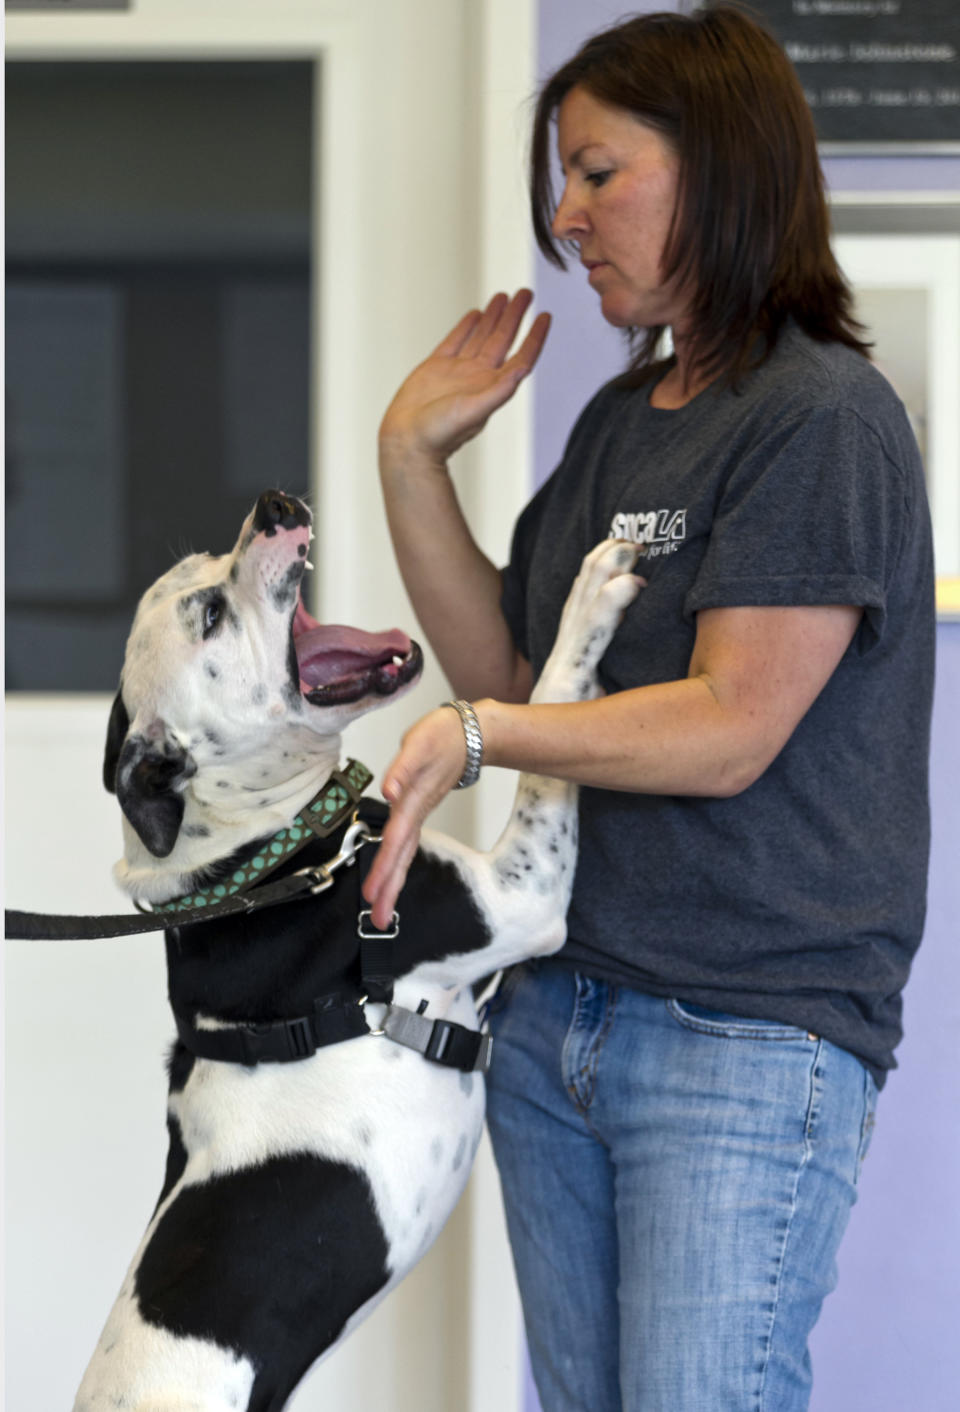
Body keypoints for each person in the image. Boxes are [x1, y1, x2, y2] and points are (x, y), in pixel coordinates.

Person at [363, 6, 935, 1410]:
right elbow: (512, 674)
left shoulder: (824, 420)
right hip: (560, 1025)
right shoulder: (627, 423)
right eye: (561, 179)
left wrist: (479, 738)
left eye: (597, 172)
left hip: (742, 1038)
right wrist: (410, 462)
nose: (564, 216)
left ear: (720, 167)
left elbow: (730, 727)